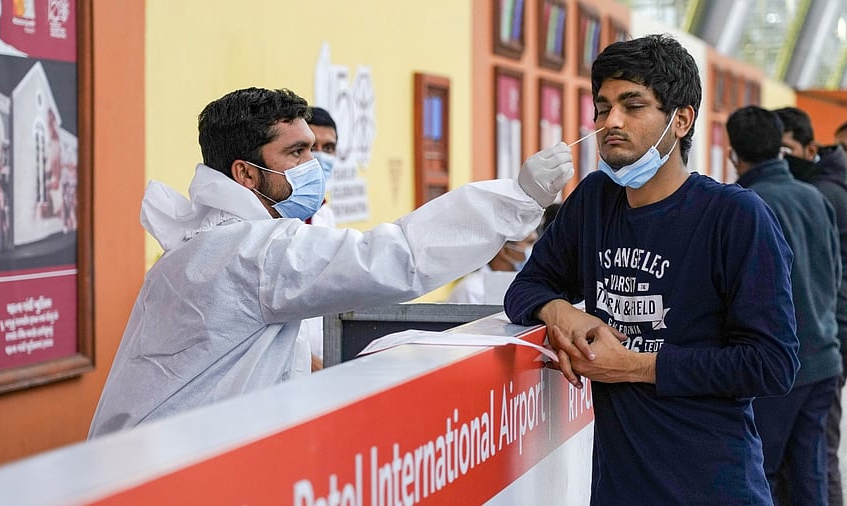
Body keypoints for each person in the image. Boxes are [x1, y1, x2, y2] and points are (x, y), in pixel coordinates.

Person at [88, 87, 574, 438]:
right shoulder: (252, 253)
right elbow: (393, 258)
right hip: (182, 469)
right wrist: (515, 198)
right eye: (296, 153)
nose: (314, 166)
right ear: (245, 174)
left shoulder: (201, 245)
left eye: (316, 150)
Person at [504, 34, 799, 504]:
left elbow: (772, 364)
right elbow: (527, 287)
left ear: (680, 120)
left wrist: (636, 367)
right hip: (619, 487)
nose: (611, 122)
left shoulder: (735, 217)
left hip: (713, 488)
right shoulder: (594, 202)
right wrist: (563, 314)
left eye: (632, 105)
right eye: (602, 108)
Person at [729, 105, 841, 505]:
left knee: (764, 473)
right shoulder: (814, 196)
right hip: (824, 358)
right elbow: (834, 271)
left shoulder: (746, 205)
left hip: (778, 367)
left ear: (733, 156)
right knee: (811, 471)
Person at [776, 105, 847, 506]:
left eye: (786, 151)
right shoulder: (827, 188)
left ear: (809, 149)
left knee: (815, 461)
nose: (780, 161)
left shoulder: (822, 196)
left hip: (823, 343)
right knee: (812, 460)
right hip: (827, 341)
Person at [298, 106, 338, 371]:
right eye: (313, 147)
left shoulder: (326, 216)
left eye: (329, 148)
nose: (321, 156)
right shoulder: (276, 217)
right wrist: (310, 365)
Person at [445, 230, 538, 304]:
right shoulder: (472, 289)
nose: (536, 248)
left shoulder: (532, 283)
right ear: (505, 251)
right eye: (530, 242)